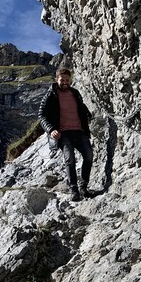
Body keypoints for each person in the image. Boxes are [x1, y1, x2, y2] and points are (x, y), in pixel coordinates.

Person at [39, 65, 94, 201]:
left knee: (89, 157)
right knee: (70, 160)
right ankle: (73, 189)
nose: (64, 82)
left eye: (67, 80)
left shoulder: (75, 93)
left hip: (79, 131)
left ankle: (84, 187)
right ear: (56, 79)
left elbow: (81, 107)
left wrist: (87, 115)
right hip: (64, 133)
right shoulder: (50, 95)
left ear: (70, 80)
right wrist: (51, 130)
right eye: (62, 80)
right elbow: (41, 115)